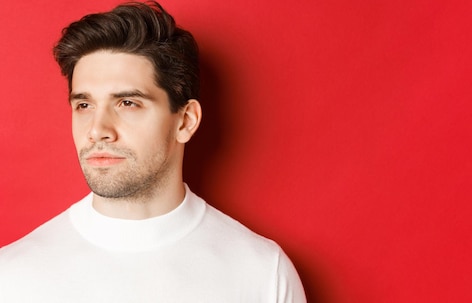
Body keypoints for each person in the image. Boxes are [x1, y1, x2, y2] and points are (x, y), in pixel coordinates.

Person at [0, 2, 306, 302]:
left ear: (185, 121)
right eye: (84, 105)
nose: (97, 129)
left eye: (127, 103)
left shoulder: (262, 274)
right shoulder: (12, 276)